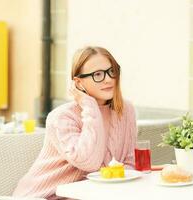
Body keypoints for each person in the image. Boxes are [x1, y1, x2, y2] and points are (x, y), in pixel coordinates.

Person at [13, 46, 137, 199]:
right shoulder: (62, 117)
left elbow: (129, 163)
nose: (108, 79)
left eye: (111, 71)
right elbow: (89, 162)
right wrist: (89, 105)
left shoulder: (125, 110)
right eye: (98, 74)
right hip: (45, 196)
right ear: (78, 83)